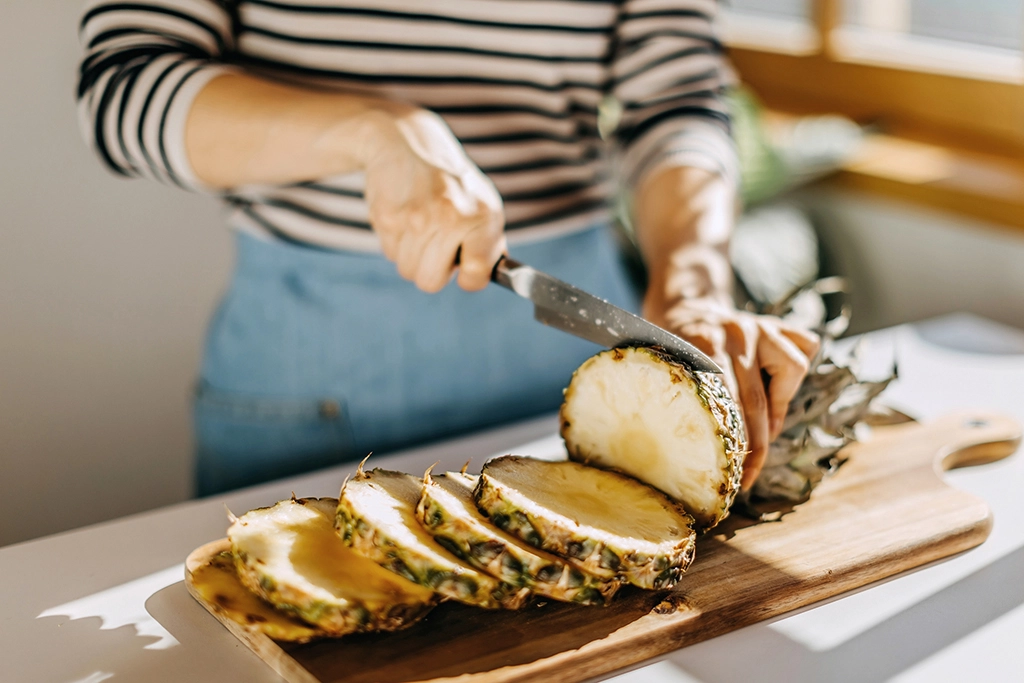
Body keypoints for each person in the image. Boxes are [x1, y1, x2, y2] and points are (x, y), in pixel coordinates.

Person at [77, 0, 818, 496]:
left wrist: (690, 282)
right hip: (309, 375)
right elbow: (123, 85)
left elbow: (677, 100)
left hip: (586, 370)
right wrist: (371, 130)